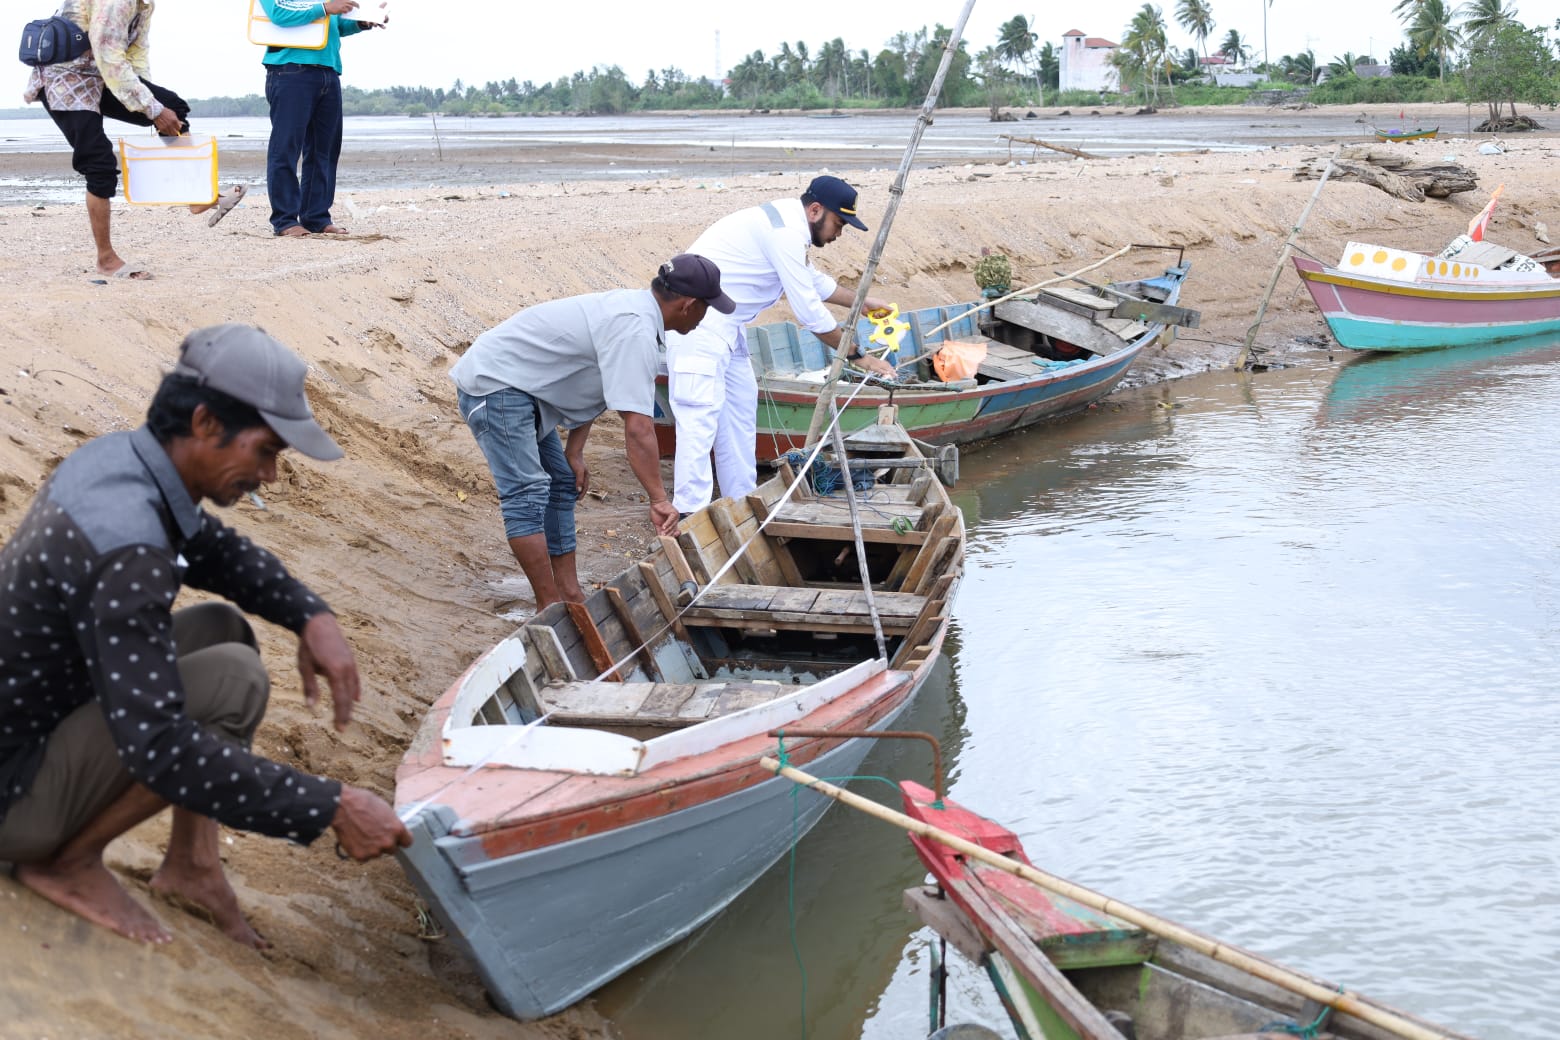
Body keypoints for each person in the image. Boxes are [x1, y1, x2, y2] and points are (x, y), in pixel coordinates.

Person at [0, 324, 412, 946]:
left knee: (223, 627)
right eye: (265, 451)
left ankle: (193, 865)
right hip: (15, 793)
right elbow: (158, 746)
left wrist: (310, 615)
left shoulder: (123, 461)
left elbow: (216, 551)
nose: (271, 475)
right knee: (233, 679)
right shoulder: (130, 549)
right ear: (202, 423)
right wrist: (330, 804)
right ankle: (65, 861)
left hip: (36, 717)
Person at [450, 254, 735, 609]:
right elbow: (639, 430)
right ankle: (549, 606)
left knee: (561, 480)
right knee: (527, 493)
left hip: (526, 390)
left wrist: (575, 450)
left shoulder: (638, 313)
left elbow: (596, 376)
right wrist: (659, 499)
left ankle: (570, 594)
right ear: (689, 304)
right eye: (708, 307)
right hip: (496, 386)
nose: (707, 316)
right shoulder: (636, 329)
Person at [665, 174, 899, 515]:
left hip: (728, 327)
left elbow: (812, 280)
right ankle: (689, 513)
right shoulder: (786, 232)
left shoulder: (789, 223)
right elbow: (809, 312)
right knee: (700, 418)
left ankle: (741, 504)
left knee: (740, 413)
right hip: (697, 325)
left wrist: (861, 303)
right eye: (839, 223)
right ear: (816, 210)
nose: (838, 234)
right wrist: (859, 357)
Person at [21, 0, 246, 279]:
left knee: (174, 109)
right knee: (99, 164)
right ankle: (106, 259)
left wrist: (153, 104)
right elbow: (108, 55)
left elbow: (135, 54)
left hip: (102, 75)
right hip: (66, 78)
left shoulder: (145, 3)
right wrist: (152, 109)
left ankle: (198, 195)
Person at [258, 0, 385, 237]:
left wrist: (361, 22)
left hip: (328, 71)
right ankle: (285, 221)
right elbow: (278, 14)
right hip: (289, 70)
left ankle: (316, 217)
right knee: (286, 148)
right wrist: (326, 8)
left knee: (323, 151)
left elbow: (333, 25)